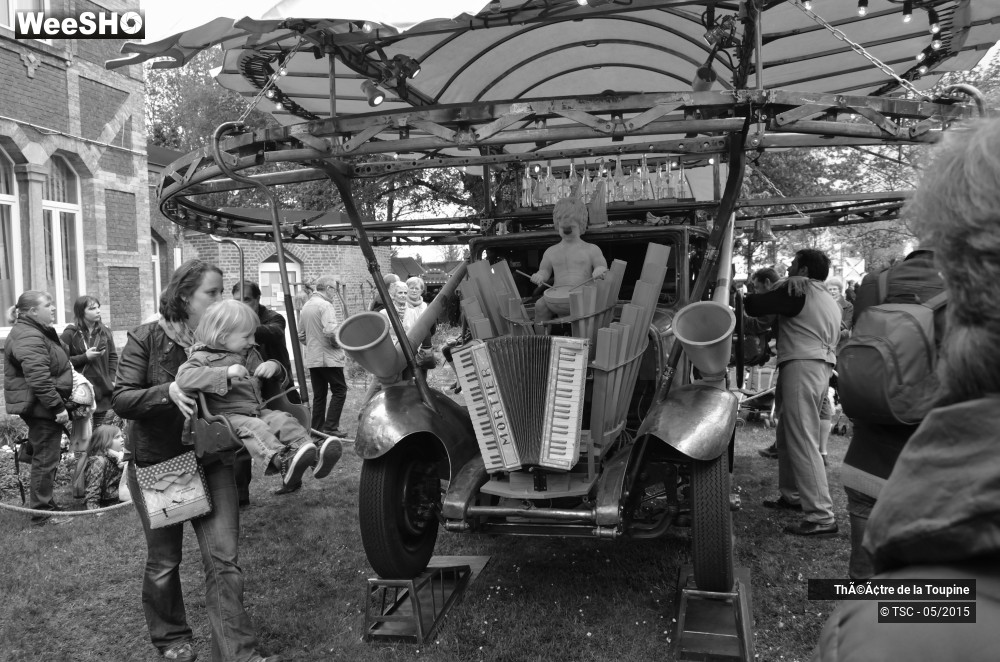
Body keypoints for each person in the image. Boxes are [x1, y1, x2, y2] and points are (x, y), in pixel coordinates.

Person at [814, 118, 1000, 661]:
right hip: (935, 453)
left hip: (874, 454)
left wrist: (863, 626)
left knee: (874, 582)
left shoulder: (878, 284)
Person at [113, 259, 280, 662]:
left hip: (214, 459)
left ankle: (237, 654)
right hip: (165, 464)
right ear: (185, 297)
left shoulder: (229, 334)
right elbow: (121, 398)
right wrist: (167, 390)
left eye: (222, 291)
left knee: (224, 560)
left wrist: (273, 372)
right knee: (166, 561)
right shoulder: (147, 338)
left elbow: (265, 379)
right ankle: (172, 639)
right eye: (213, 292)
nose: (222, 298)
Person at [837, 248, 944, 579]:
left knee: (863, 571)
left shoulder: (875, 284)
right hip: (926, 463)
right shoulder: (969, 289)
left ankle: (857, 626)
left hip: (865, 458)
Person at [175, 300, 341, 491]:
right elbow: (183, 378)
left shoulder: (249, 354)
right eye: (247, 336)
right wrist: (225, 373)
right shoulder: (201, 358)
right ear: (222, 337)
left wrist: (274, 367)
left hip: (257, 410)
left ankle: (313, 454)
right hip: (227, 419)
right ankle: (282, 460)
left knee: (282, 419)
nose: (253, 341)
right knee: (255, 426)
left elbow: (275, 382)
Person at [745, 248, 841, 537]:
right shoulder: (827, 297)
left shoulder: (799, 289)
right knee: (787, 435)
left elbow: (753, 305)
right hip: (814, 364)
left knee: (801, 438)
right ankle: (794, 497)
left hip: (803, 364)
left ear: (805, 271)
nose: (787, 270)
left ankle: (822, 516)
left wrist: (769, 285)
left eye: (792, 266)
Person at [3, 291, 74, 524]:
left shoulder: (35, 331)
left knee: (45, 454)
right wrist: (57, 408)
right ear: (33, 311)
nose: (53, 308)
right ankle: (42, 513)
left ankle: (46, 504)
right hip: (41, 407)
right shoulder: (28, 335)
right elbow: (39, 379)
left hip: (39, 405)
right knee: (45, 458)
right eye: (48, 305)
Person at [530, 197, 609, 324]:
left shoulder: (591, 249)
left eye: (571, 227)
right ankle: (540, 341)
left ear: (581, 225)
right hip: (556, 297)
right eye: (563, 227)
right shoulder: (551, 251)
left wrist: (600, 271)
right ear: (557, 225)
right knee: (540, 305)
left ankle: (585, 341)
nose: (567, 231)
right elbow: (544, 271)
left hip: (584, 296)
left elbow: (601, 266)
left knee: (590, 313)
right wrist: (539, 276)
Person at [298, 275, 347, 436]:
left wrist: (314, 345)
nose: (335, 293)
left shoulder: (306, 306)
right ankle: (331, 427)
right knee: (340, 390)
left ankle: (317, 430)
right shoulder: (325, 305)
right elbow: (331, 331)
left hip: (313, 358)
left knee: (319, 396)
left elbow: (301, 335)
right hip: (329, 358)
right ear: (328, 288)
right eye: (334, 289)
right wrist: (338, 345)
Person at [61, 295, 118, 428]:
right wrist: (84, 357)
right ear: (81, 312)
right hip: (82, 392)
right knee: (84, 436)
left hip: (104, 389)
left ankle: (98, 450)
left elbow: (113, 356)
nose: (98, 311)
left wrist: (112, 378)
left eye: (98, 307)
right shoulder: (70, 333)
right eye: (92, 308)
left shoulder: (105, 332)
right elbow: (60, 362)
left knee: (101, 433)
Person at [81, 424, 125, 511]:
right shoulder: (98, 462)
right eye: (117, 437)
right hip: (110, 501)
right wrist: (94, 509)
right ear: (104, 441)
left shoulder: (120, 457)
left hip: (121, 496)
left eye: (121, 436)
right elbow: (93, 487)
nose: (122, 439)